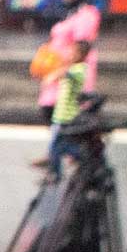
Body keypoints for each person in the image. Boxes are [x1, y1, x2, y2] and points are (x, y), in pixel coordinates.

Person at [32, 0, 100, 163]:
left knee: (63, 111)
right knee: (53, 109)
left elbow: (81, 47)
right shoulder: (70, 13)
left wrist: (61, 71)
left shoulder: (87, 14)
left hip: (71, 71)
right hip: (60, 68)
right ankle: (59, 149)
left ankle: (66, 150)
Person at [44, 39, 91, 176]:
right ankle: (57, 171)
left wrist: (52, 75)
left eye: (73, 52)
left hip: (67, 116)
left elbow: (63, 74)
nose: (69, 54)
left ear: (80, 54)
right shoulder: (73, 68)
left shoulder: (79, 70)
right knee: (57, 145)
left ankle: (57, 172)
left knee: (56, 146)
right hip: (61, 114)